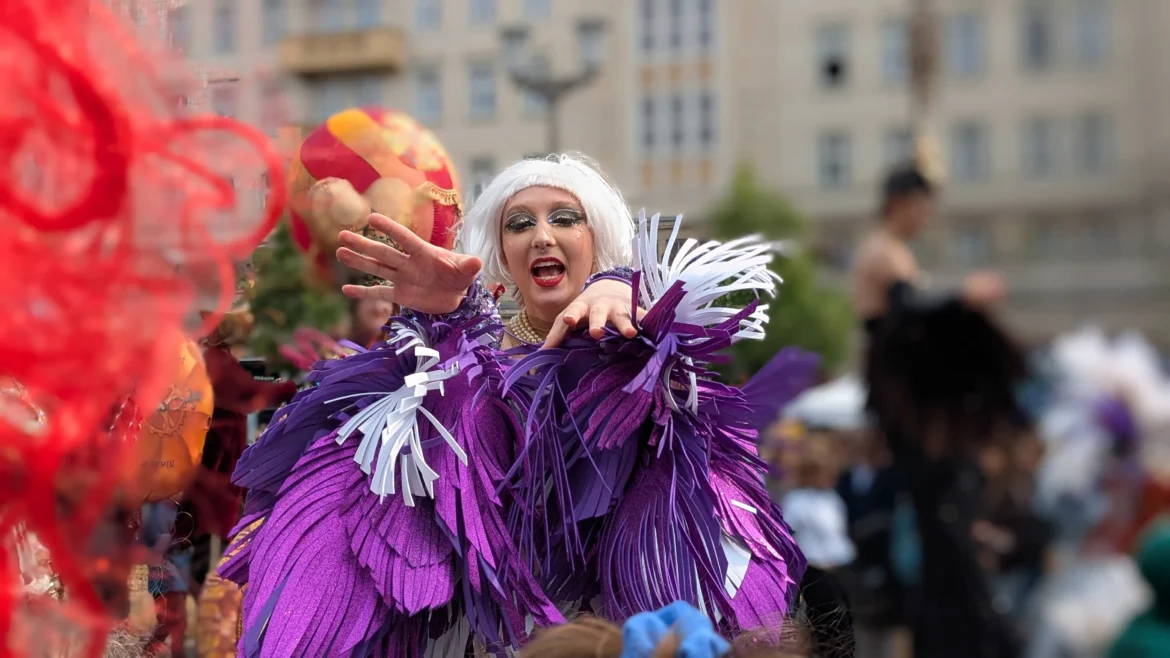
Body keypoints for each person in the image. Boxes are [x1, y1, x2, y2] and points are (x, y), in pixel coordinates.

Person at [223, 153, 818, 655]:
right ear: (505, 258)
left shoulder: (640, 341)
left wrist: (623, 291)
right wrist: (449, 317)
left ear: (597, 242)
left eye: (564, 218)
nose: (540, 235)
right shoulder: (458, 361)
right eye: (518, 224)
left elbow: (652, 416)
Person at [852, 163, 1028, 658]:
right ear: (898, 201)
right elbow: (909, 318)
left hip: (912, 405)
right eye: (921, 204)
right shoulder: (881, 252)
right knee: (943, 526)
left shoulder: (897, 252)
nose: (926, 215)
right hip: (905, 405)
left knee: (946, 528)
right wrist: (964, 299)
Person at [780, 431, 855, 658]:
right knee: (823, 639)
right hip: (813, 576)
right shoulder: (797, 502)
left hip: (838, 573)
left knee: (843, 635)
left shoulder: (832, 498)